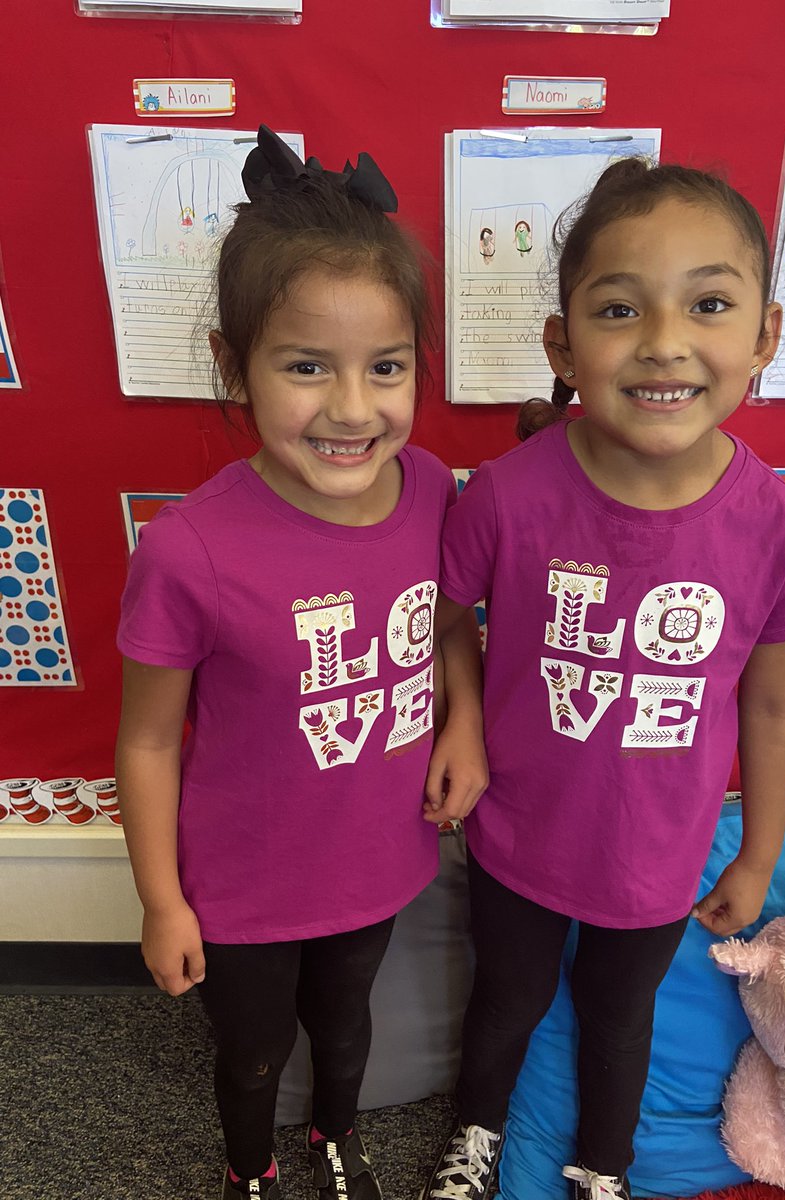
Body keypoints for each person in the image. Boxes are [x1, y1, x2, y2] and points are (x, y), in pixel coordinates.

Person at [421, 158, 785, 1200]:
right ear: (564, 343)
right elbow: (446, 615)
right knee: (506, 999)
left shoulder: (773, 524)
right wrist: (463, 725)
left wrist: (761, 850)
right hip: (517, 833)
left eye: (707, 303)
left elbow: (776, 700)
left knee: (620, 1017)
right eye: (619, 308)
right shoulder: (509, 497)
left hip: (655, 856)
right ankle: (474, 1134)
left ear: (764, 336)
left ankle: (602, 1168)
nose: (663, 340)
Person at [115, 126, 486, 1200]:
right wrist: (160, 900)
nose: (351, 409)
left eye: (386, 368)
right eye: (306, 367)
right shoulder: (189, 550)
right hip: (242, 885)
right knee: (253, 1051)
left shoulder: (431, 491)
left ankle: (335, 1142)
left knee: (347, 1021)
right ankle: (253, 1170)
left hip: (377, 855)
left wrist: (463, 722)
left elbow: (450, 619)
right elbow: (146, 737)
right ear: (237, 365)